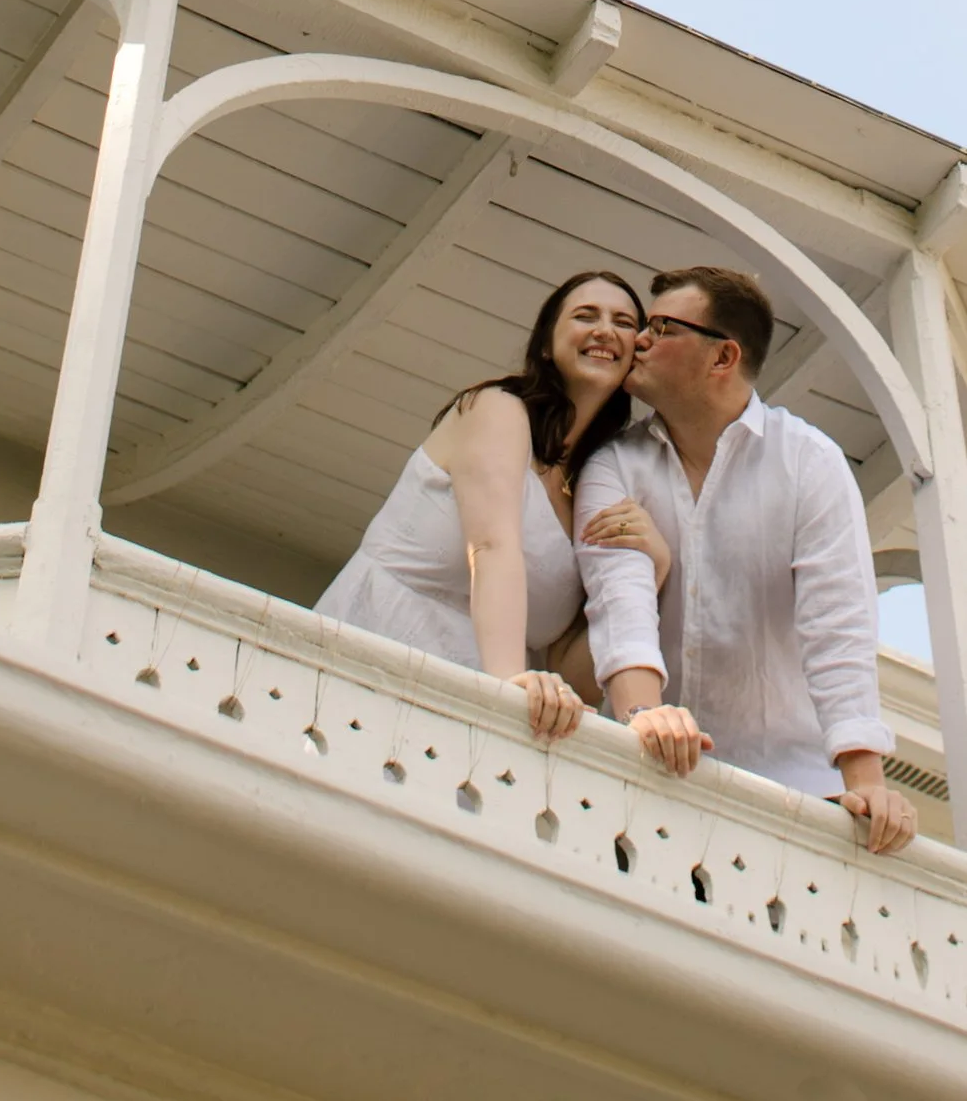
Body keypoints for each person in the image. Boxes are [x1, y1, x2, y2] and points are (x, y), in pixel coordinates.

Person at [573, 264, 917, 854]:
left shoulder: (810, 462)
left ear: (723, 357)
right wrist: (644, 717)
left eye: (661, 327)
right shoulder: (613, 465)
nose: (640, 340)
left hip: (793, 800)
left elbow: (837, 628)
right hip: (647, 785)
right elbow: (618, 597)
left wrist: (867, 784)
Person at [318, 270, 664, 736]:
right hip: (376, 651)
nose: (605, 330)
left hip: (466, 722)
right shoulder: (498, 408)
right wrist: (505, 688)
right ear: (546, 344)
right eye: (586, 316)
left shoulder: (594, 484)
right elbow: (491, 547)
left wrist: (654, 572)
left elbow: (571, 673)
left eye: (624, 322)